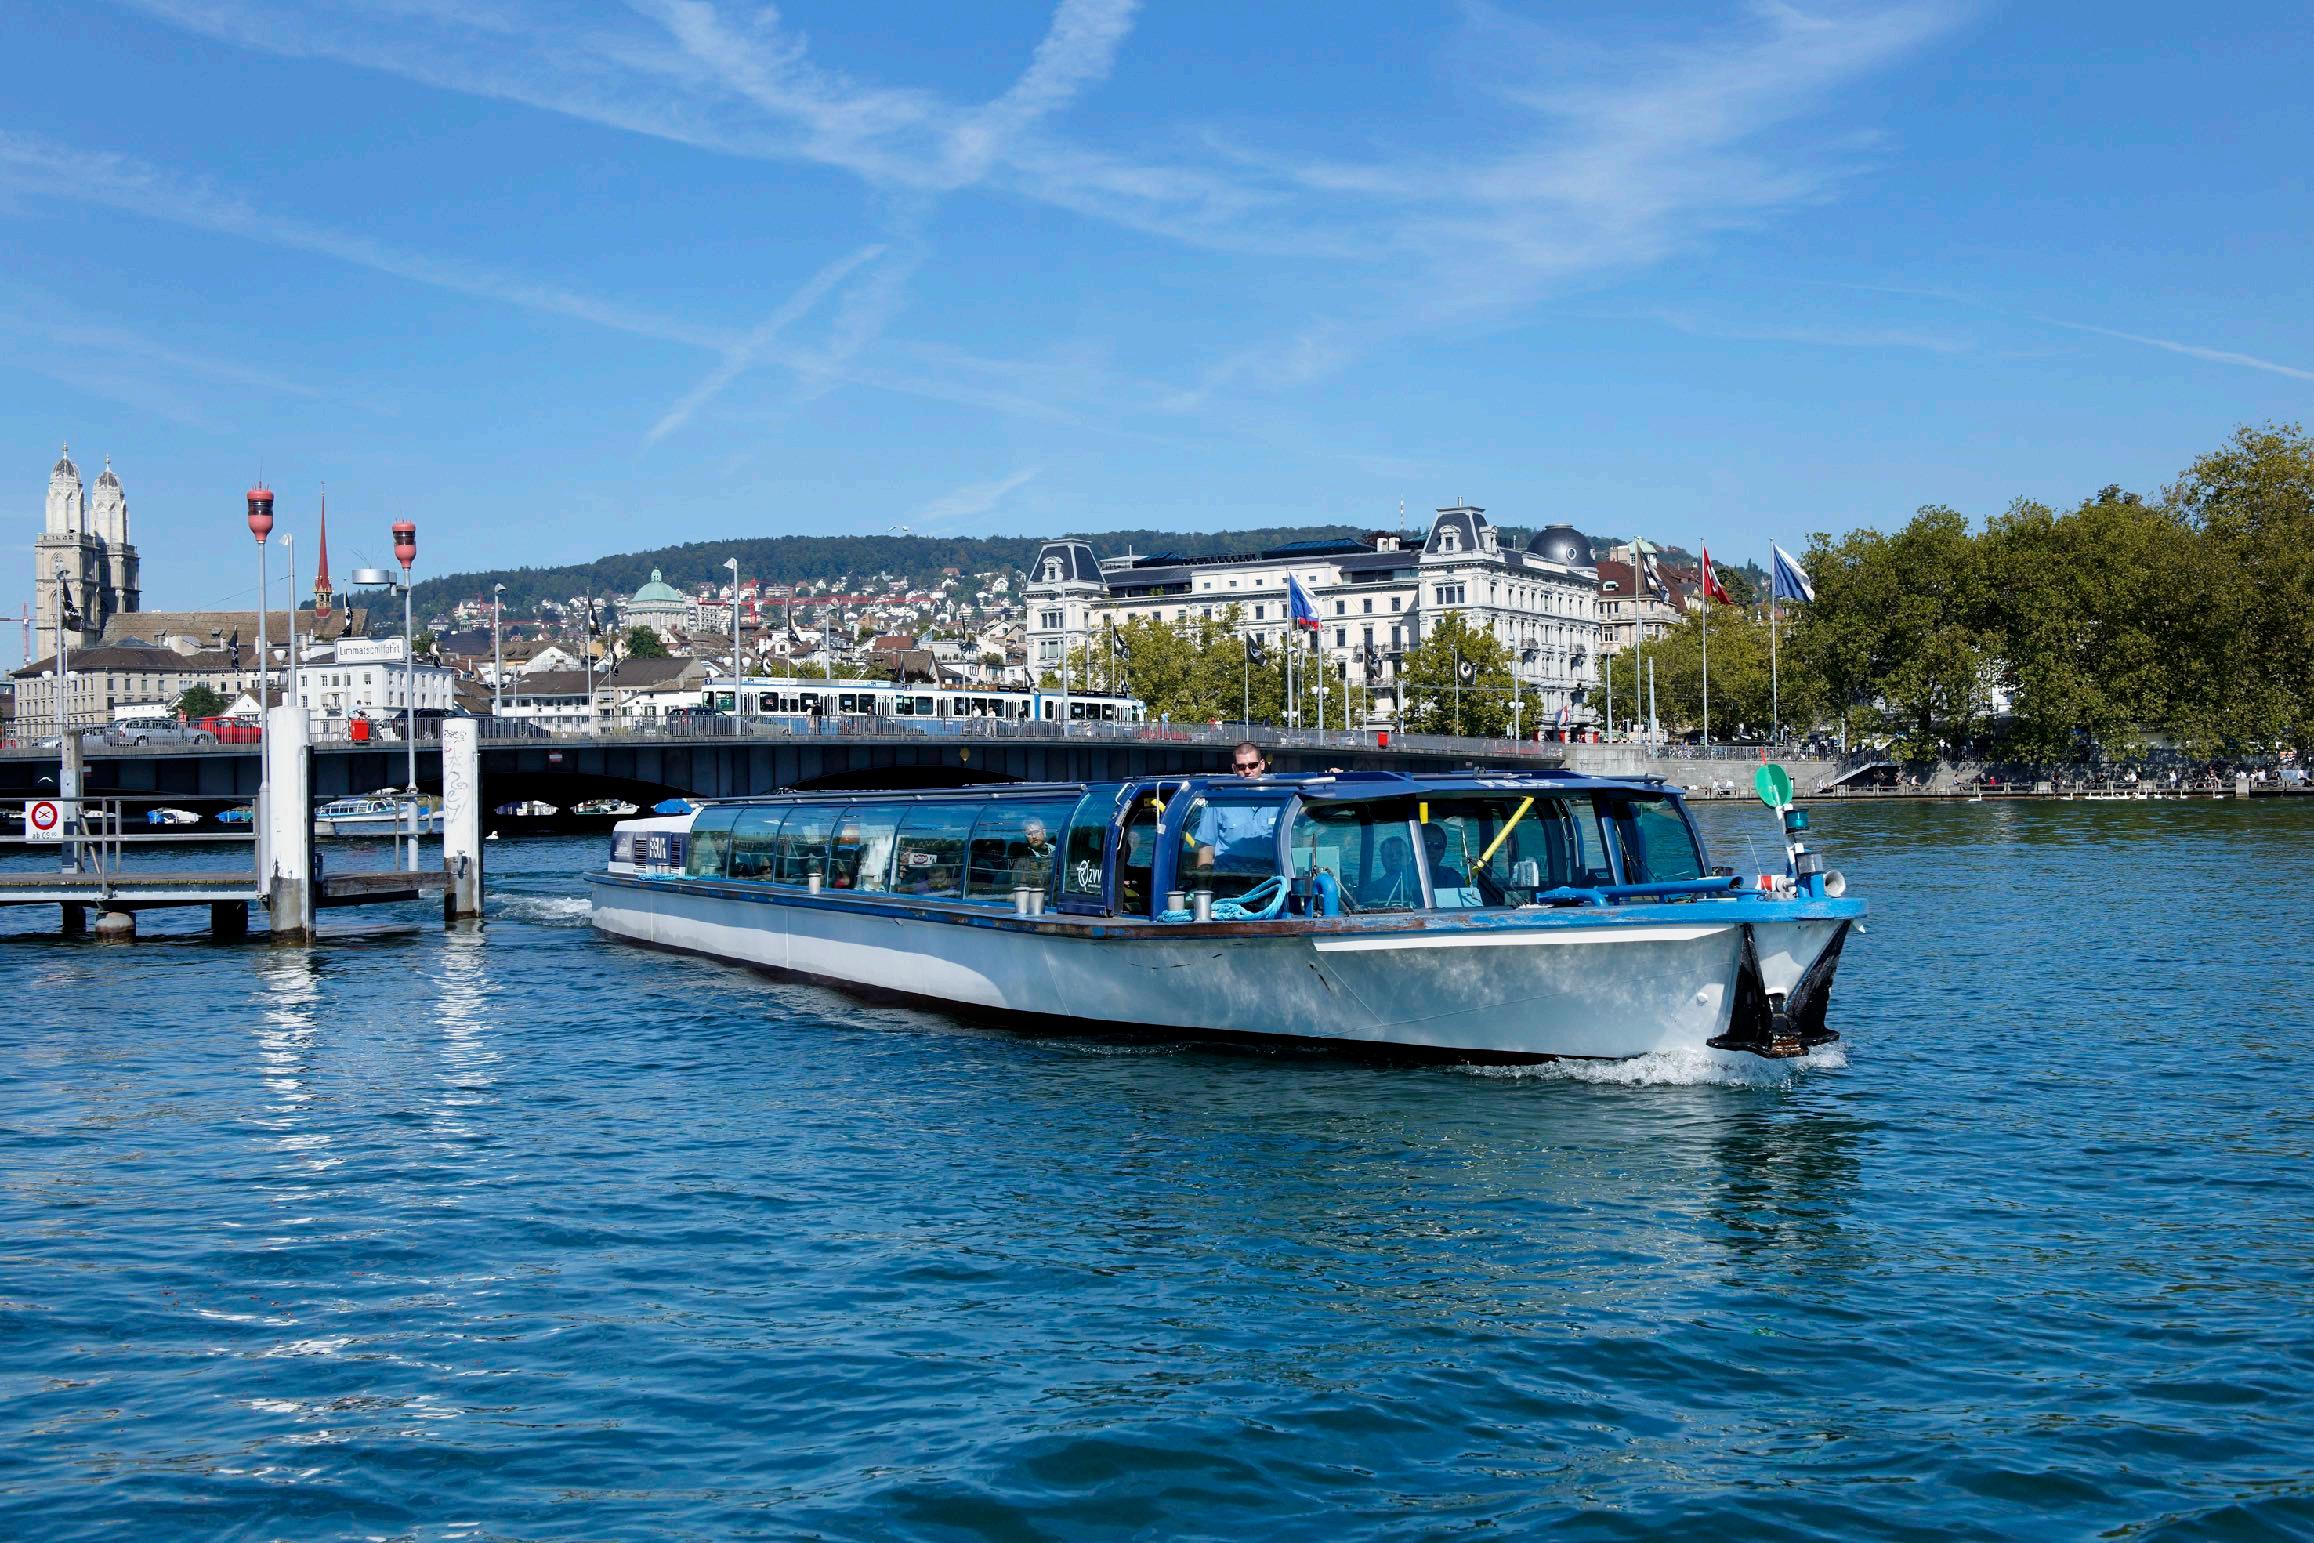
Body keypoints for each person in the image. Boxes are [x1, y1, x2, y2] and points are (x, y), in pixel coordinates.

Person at [1362, 834, 1419, 909]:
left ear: (1408, 857)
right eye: (1390, 855)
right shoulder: (1371, 890)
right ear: (1382, 860)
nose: (1395, 858)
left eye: (1400, 853)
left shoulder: (1422, 885)